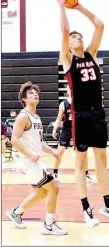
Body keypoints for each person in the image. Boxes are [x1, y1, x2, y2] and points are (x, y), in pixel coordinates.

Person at [56, 0, 109, 227]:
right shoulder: (68, 59)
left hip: (98, 113)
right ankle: (86, 209)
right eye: (74, 36)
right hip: (80, 114)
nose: (77, 37)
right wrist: (62, 6)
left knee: (102, 160)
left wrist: (79, 7)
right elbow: (65, 32)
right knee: (81, 163)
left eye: (80, 36)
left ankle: (108, 206)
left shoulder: (92, 55)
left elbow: (100, 24)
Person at [6, 81, 68, 235]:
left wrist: (53, 151)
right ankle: (48, 225)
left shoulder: (36, 117)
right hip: (28, 161)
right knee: (54, 188)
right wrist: (30, 154)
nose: (35, 94)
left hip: (34, 160)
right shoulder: (23, 116)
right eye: (31, 93)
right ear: (24, 99)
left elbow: (39, 143)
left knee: (41, 193)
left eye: (36, 92)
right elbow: (14, 139)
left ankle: (16, 213)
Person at [52, 84, 92, 185]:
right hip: (67, 130)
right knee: (59, 152)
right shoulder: (63, 104)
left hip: (79, 130)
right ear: (67, 91)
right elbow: (59, 118)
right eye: (70, 89)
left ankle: (86, 174)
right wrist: (55, 129)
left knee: (83, 154)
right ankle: (55, 172)